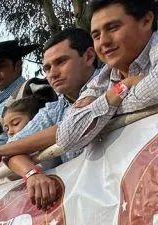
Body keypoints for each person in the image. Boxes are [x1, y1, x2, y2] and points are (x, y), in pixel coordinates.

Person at [0, 27, 102, 207]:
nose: (53, 73)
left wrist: (0, 150)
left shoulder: (113, 82)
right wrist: (31, 173)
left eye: (61, 62)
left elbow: (75, 125)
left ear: (89, 56)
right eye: (47, 68)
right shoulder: (54, 109)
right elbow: (12, 147)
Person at [57, 0, 158, 152]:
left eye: (113, 28)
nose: (103, 41)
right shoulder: (103, 78)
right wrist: (122, 88)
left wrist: (103, 110)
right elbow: (66, 138)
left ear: (146, 21)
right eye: (96, 36)